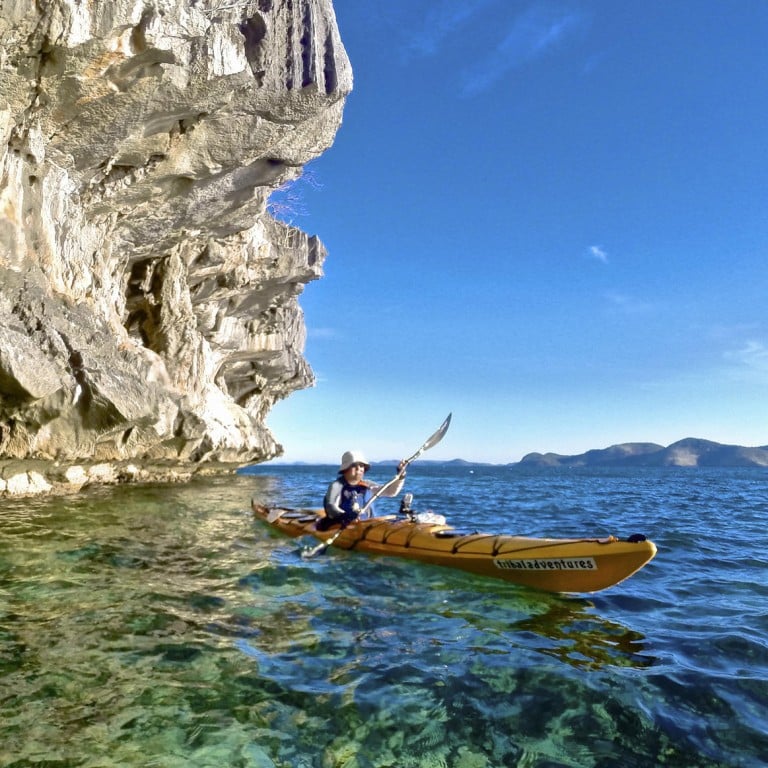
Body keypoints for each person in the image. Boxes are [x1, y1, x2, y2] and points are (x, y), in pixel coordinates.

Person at [318, 450, 406, 531]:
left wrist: (400, 475)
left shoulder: (367, 485)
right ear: (345, 469)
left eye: (361, 466)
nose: (359, 468)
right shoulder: (337, 486)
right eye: (354, 465)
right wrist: (345, 516)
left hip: (367, 525)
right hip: (344, 526)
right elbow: (331, 506)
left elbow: (391, 492)